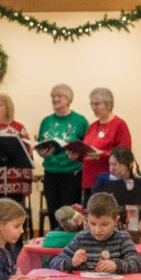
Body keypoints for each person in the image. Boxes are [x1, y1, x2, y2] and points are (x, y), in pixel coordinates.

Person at [48, 192, 141, 274]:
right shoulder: (82, 238)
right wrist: (72, 262)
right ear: (87, 219)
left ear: (116, 221)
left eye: (104, 224)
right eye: (93, 224)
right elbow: (54, 262)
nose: (98, 230)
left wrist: (116, 265)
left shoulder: (122, 238)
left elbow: (138, 263)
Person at [35, 84, 89, 218]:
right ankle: (55, 238)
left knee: (71, 216)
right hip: (51, 173)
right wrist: (41, 153)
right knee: (53, 213)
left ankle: (71, 240)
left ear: (68, 100)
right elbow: (41, 144)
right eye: (53, 96)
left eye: (59, 96)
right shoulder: (46, 121)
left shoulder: (80, 121)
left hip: (72, 174)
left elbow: (88, 148)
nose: (55, 99)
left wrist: (78, 154)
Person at [92, 145, 141, 238]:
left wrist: (137, 215)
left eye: (115, 165)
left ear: (129, 165)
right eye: (110, 164)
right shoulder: (102, 181)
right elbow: (93, 203)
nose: (111, 169)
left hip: (138, 229)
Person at [79, 87, 131, 201]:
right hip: (89, 181)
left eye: (97, 104)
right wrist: (77, 155)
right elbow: (86, 150)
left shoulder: (119, 125)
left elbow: (124, 155)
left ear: (108, 105)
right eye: (92, 104)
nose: (94, 108)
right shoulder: (92, 126)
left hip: (109, 181)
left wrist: (102, 154)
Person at [0, 198, 30, 280]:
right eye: (16, 226)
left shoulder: (5, 249)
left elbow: (10, 277)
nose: (22, 231)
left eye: (22, 226)